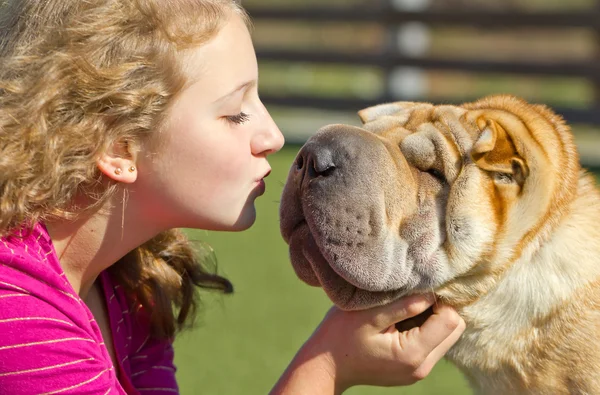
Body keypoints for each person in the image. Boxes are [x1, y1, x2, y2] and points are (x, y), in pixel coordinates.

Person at [0, 0, 466, 393]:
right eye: (235, 113)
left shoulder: (130, 282)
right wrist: (327, 366)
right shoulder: (16, 318)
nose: (273, 136)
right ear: (118, 147)